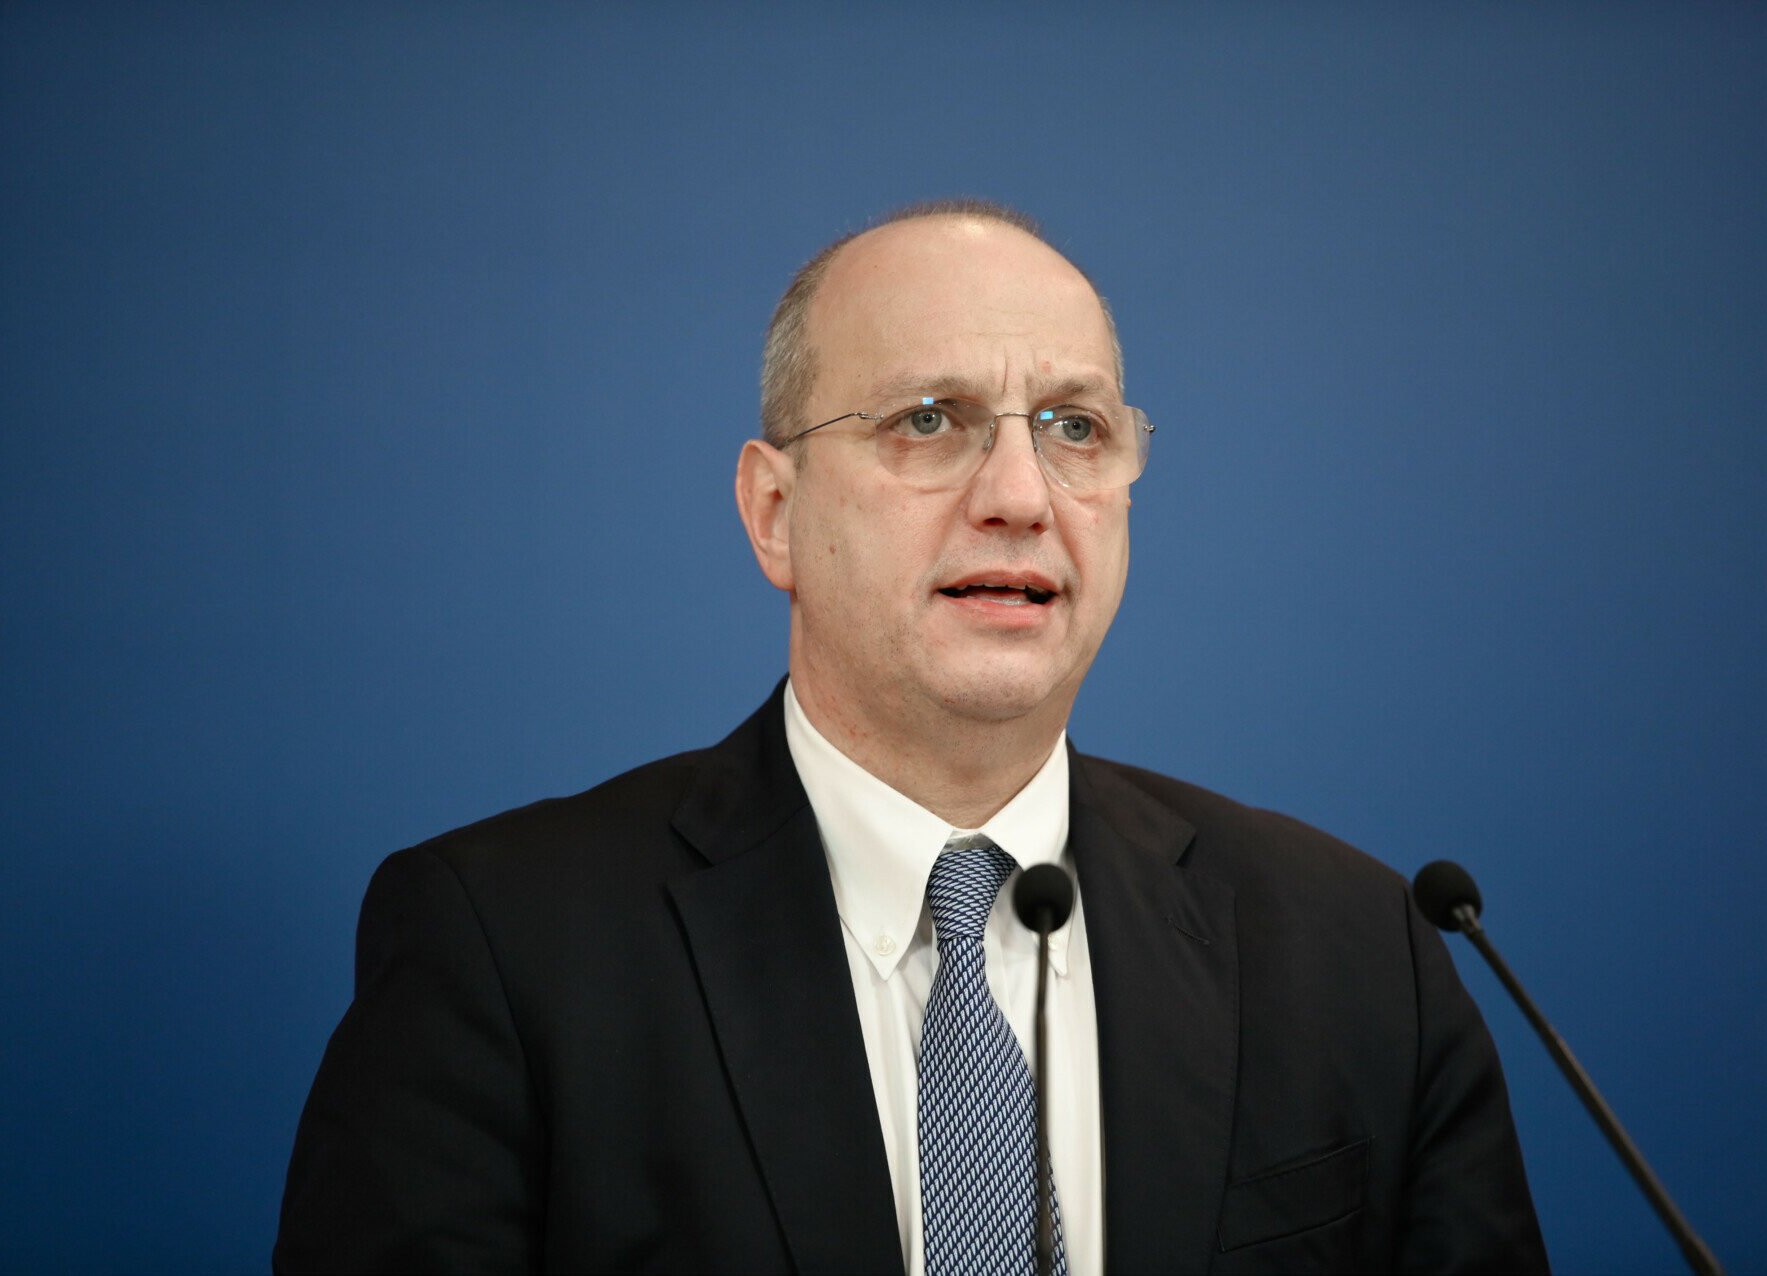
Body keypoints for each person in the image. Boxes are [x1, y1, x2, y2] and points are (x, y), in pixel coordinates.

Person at [276, 200, 1548, 1273]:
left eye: (1076, 428)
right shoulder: (507, 955)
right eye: (929, 420)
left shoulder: (1359, 953)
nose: (1019, 497)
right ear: (775, 512)